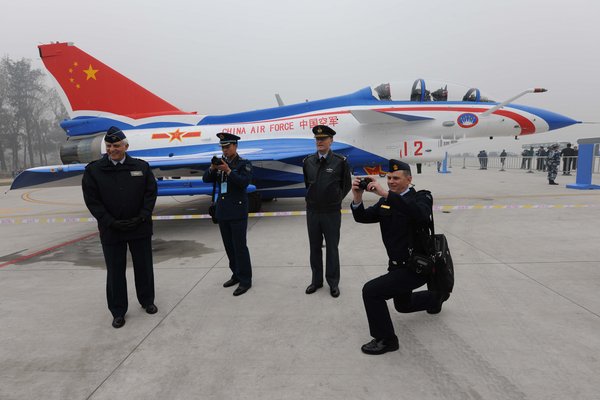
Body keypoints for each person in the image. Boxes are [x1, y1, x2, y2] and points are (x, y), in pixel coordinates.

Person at [351, 160, 449, 355]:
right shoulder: (385, 202)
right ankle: (436, 298)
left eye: (396, 178)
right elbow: (362, 217)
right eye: (388, 178)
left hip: (416, 267)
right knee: (403, 306)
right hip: (396, 266)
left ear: (409, 179)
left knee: (371, 291)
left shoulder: (422, 197)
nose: (391, 182)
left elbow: (418, 213)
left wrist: (385, 194)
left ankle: (387, 340)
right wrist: (357, 197)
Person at [82, 126, 158, 329]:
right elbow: (92, 201)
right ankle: (118, 311)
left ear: (126, 146)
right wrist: (110, 221)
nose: (112, 149)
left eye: (116, 145)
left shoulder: (141, 167)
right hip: (111, 229)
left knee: (144, 267)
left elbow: (150, 194)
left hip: (139, 227)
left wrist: (142, 217)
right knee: (115, 272)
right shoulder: (94, 170)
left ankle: (147, 301)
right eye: (109, 146)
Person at [302, 125, 352, 298]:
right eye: (317, 139)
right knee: (314, 247)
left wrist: (335, 199)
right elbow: (308, 184)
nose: (320, 142)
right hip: (313, 212)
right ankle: (316, 281)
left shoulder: (340, 161)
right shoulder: (308, 161)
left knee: (332, 248)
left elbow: (346, 185)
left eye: (323, 139)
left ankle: (333, 282)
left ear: (331, 141)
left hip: (331, 212)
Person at [203, 132, 253, 296]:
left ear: (235, 146)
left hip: (237, 211)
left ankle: (245, 280)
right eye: (223, 147)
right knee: (229, 247)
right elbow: (206, 179)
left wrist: (229, 171)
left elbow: (243, 183)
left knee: (240, 247)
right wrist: (212, 167)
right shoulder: (220, 164)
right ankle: (236, 274)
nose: (225, 150)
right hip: (223, 211)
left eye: (227, 147)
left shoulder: (243, 164)